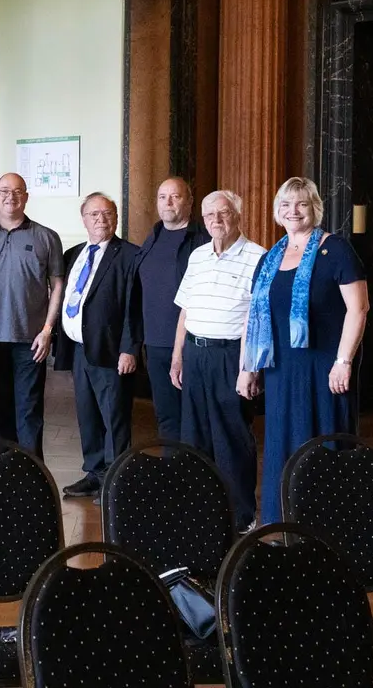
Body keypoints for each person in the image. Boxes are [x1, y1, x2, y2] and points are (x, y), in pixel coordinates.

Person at [239, 177, 368, 525]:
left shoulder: (336, 250)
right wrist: (247, 368)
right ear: (277, 212)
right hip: (282, 372)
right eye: (285, 204)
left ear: (315, 208)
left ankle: (327, 526)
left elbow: (359, 309)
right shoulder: (271, 257)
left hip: (325, 369)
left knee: (322, 444)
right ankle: (283, 523)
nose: (293, 211)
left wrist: (344, 362)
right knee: (283, 445)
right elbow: (254, 318)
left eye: (301, 204)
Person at [169, 190, 266, 528]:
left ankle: (241, 515)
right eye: (209, 215)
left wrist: (247, 368)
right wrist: (178, 356)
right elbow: (185, 310)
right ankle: (200, 508)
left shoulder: (258, 257)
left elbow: (256, 320)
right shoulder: (197, 256)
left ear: (238, 216)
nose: (216, 220)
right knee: (194, 435)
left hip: (231, 356)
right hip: (195, 352)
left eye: (223, 213)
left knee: (231, 437)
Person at [0, 173, 66, 456]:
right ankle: (5, 468)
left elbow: (57, 284)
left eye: (18, 191)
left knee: (30, 410)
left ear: (26, 197)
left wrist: (47, 330)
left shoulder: (46, 237)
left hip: (31, 340)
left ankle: (33, 474)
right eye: (5, 191)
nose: (11, 196)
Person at [50, 192, 141, 500]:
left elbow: (134, 306)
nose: (101, 219)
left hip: (111, 350)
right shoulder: (73, 253)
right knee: (87, 414)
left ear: (115, 218)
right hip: (79, 348)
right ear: (84, 219)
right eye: (94, 214)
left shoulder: (129, 255)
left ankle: (116, 480)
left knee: (114, 416)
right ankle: (94, 473)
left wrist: (129, 348)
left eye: (107, 214)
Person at [134, 177, 209, 443]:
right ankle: (173, 475)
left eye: (175, 196)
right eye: (162, 196)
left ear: (189, 202)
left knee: (194, 417)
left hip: (191, 343)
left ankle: (195, 476)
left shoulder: (203, 240)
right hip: (155, 344)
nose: (168, 202)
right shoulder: (152, 236)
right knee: (166, 415)